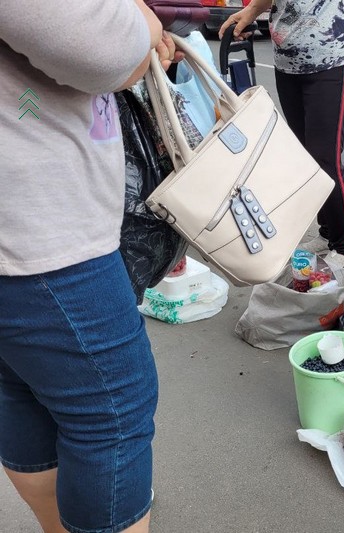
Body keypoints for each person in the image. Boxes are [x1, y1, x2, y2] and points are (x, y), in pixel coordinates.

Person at [0, 2, 179, 531]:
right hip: (38, 232)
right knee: (113, 418)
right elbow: (102, 49)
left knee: (21, 391)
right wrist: (144, 23)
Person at [221, 0, 344, 268]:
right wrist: (250, 13)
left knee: (325, 159)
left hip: (334, 56)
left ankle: (343, 248)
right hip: (289, 64)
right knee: (306, 159)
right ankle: (327, 233)